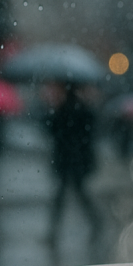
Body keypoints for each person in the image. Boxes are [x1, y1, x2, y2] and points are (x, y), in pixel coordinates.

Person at [44, 82, 101, 245]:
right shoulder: (84, 110)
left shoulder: (63, 111)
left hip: (66, 158)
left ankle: (53, 230)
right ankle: (95, 220)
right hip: (78, 159)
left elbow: (51, 130)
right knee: (77, 192)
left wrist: (52, 110)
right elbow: (91, 132)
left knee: (64, 195)